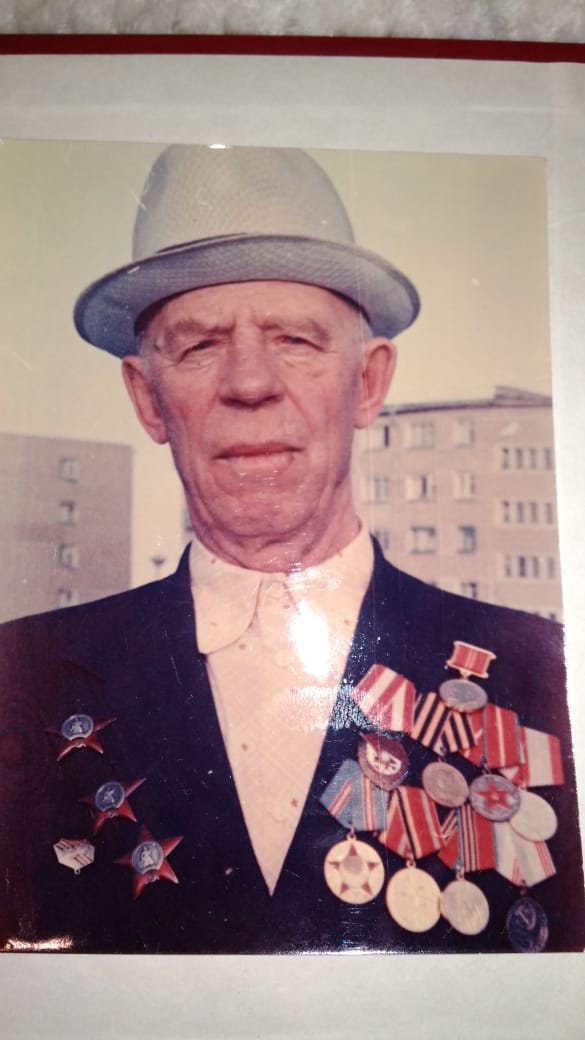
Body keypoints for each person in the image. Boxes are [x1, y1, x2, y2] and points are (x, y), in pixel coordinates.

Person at [0, 145, 583, 955]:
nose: (249, 383)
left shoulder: (546, 674)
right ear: (147, 399)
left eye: (296, 341)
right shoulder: (20, 674)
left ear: (368, 383)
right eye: (199, 345)